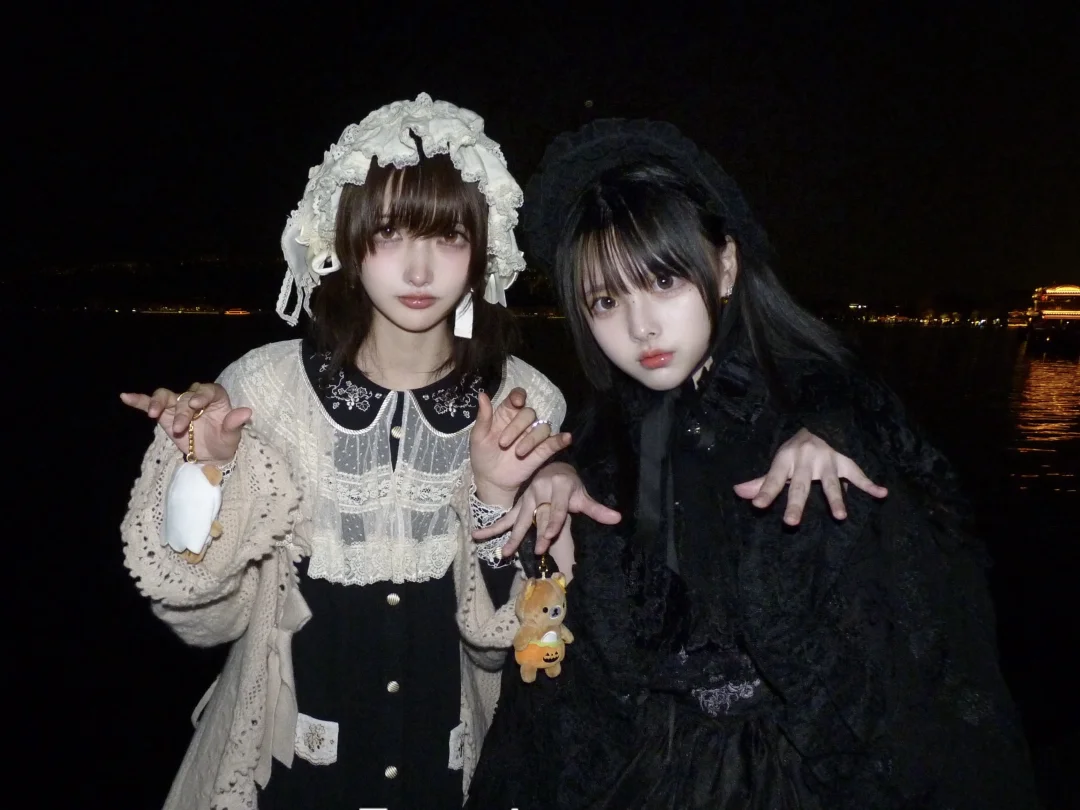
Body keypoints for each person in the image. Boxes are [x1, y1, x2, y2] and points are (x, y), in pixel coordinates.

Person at [120, 95, 881, 810]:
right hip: (278, 777)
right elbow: (201, 620)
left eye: (448, 238)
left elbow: (513, 649)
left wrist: (494, 500)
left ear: (483, 251)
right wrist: (204, 473)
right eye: (389, 235)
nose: (419, 271)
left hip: (453, 774)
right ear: (344, 243)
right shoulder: (264, 388)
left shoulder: (529, 402)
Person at [465, 119, 1041, 809]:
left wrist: (831, 435)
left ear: (727, 266)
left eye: (664, 280)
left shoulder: (826, 417)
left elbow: (917, 647)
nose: (641, 327)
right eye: (607, 301)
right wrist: (555, 481)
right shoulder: (607, 437)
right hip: (649, 767)